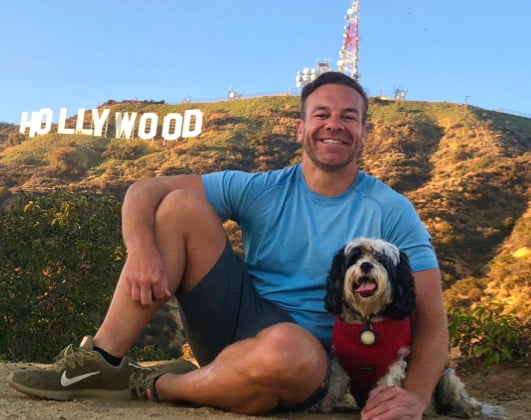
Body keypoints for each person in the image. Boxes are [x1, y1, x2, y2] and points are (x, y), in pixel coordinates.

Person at [8, 71, 448, 419]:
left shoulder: (391, 210)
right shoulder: (262, 188)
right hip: (237, 321)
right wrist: (141, 250)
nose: (334, 125)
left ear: (364, 132)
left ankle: (153, 384)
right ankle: (101, 361)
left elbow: (430, 315)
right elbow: (145, 188)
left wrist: (414, 396)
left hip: (307, 358)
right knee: (180, 204)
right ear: (301, 128)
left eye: (349, 117)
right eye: (321, 114)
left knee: (285, 352)